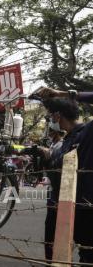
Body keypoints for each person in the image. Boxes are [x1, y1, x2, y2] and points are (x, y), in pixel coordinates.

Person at [35, 87, 93, 263]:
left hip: (85, 208)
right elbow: (58, 175)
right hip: (60, 207)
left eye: (51, 115)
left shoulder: (88, 133)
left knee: (87, 255)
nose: (50, 120)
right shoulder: (66, 141)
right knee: (55, 256)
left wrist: (62, 94)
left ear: (58, 116)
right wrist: (47, 157)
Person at [42, 122, 65, 260]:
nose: (48, 133)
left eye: (50, 130)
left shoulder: (60, 146)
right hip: (52, 192)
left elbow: (55, 169)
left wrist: (47, 157)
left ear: (56, 132)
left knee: (53, 229)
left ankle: (53, 259)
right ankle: (49, 259)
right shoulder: (53, 145)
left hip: (57, 194)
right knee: (50, 228)